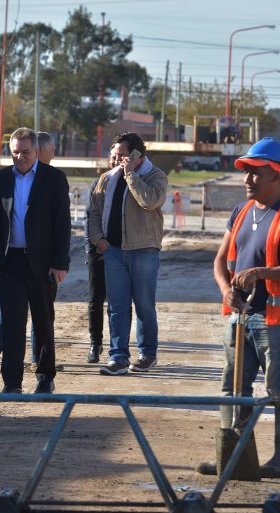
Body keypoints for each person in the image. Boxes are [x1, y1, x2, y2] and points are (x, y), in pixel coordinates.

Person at [198, 137, 280, 479]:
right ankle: (232, 457)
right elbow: (220, 261)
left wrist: (260, 273)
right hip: (239, 317)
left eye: (255, 173)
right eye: (246, 172)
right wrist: (225, 289)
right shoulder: (242, 211)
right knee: (233, 388)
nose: (247, 179)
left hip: (274, 321)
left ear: (275, 174)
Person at [0, 127, 71, 394]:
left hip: (42, 263)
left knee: (43, 321)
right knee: (13, 323)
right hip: (10, 262)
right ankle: (11, 382)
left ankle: (45, 377)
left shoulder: (54, 178)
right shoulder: (0, 179)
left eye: (25, 152)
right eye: (15, 152)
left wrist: (60, 262)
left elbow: (62, 223)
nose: (20, 157)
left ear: (36, 151)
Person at [87, 132, 167, 376]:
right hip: (113, 252)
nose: (118, 160)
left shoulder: (155, 177)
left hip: (143, 250)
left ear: (137, 155)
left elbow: (149, 201)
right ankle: (118, 357)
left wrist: (131, 174)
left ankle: (147, 354)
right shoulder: (106, 179)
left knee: (144, 305)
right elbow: (94, 212)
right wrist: (98, 239)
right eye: (116, 155)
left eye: (123, 155)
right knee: (117, 306)